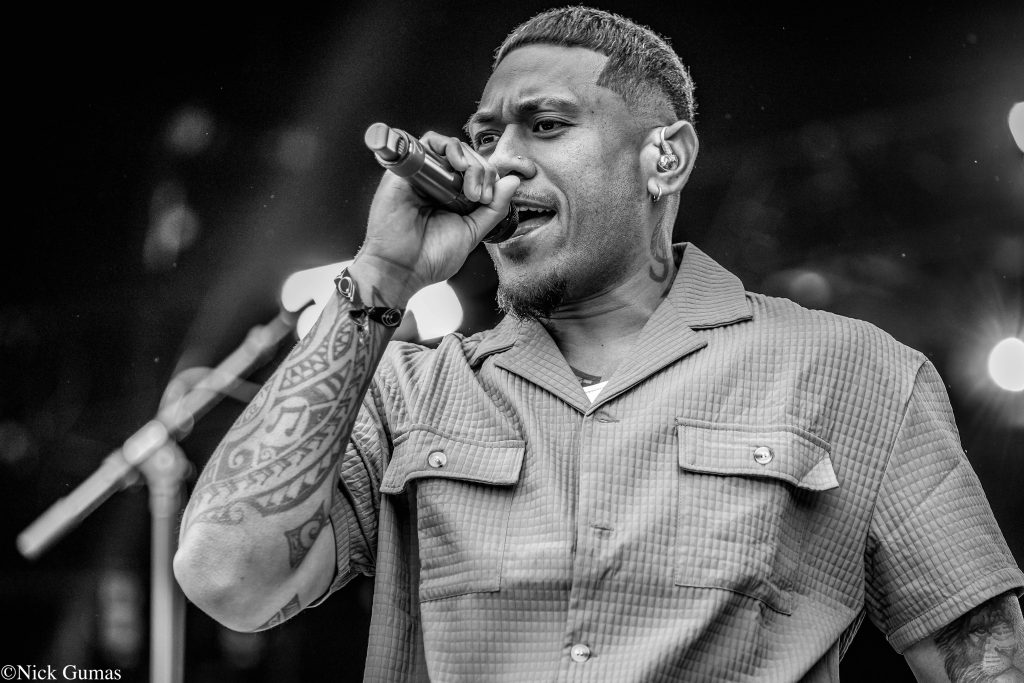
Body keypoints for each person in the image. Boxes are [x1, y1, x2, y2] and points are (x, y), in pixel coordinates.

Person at [173, 6, 1024, 681]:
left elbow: (983, 658)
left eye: (545, 125)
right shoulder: (404, 390)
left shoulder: (856, 371)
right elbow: (226, 577)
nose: (501, 163)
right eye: (484, 138)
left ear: (666, 159)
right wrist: (384, 272)